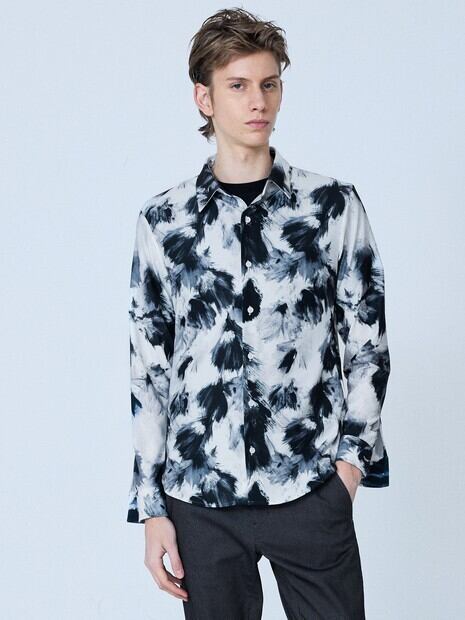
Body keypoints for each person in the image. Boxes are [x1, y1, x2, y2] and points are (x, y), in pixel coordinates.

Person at [126, 7, 390, 619]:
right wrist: (153, 508)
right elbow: (148, 369)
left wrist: (349, 468)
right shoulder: (163, 221)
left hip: (311, 488)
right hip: (201, 499)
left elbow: (368, 343)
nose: (258, 101)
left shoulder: (331, 206)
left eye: (269, 84)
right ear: (204, 98)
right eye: (238, 85)